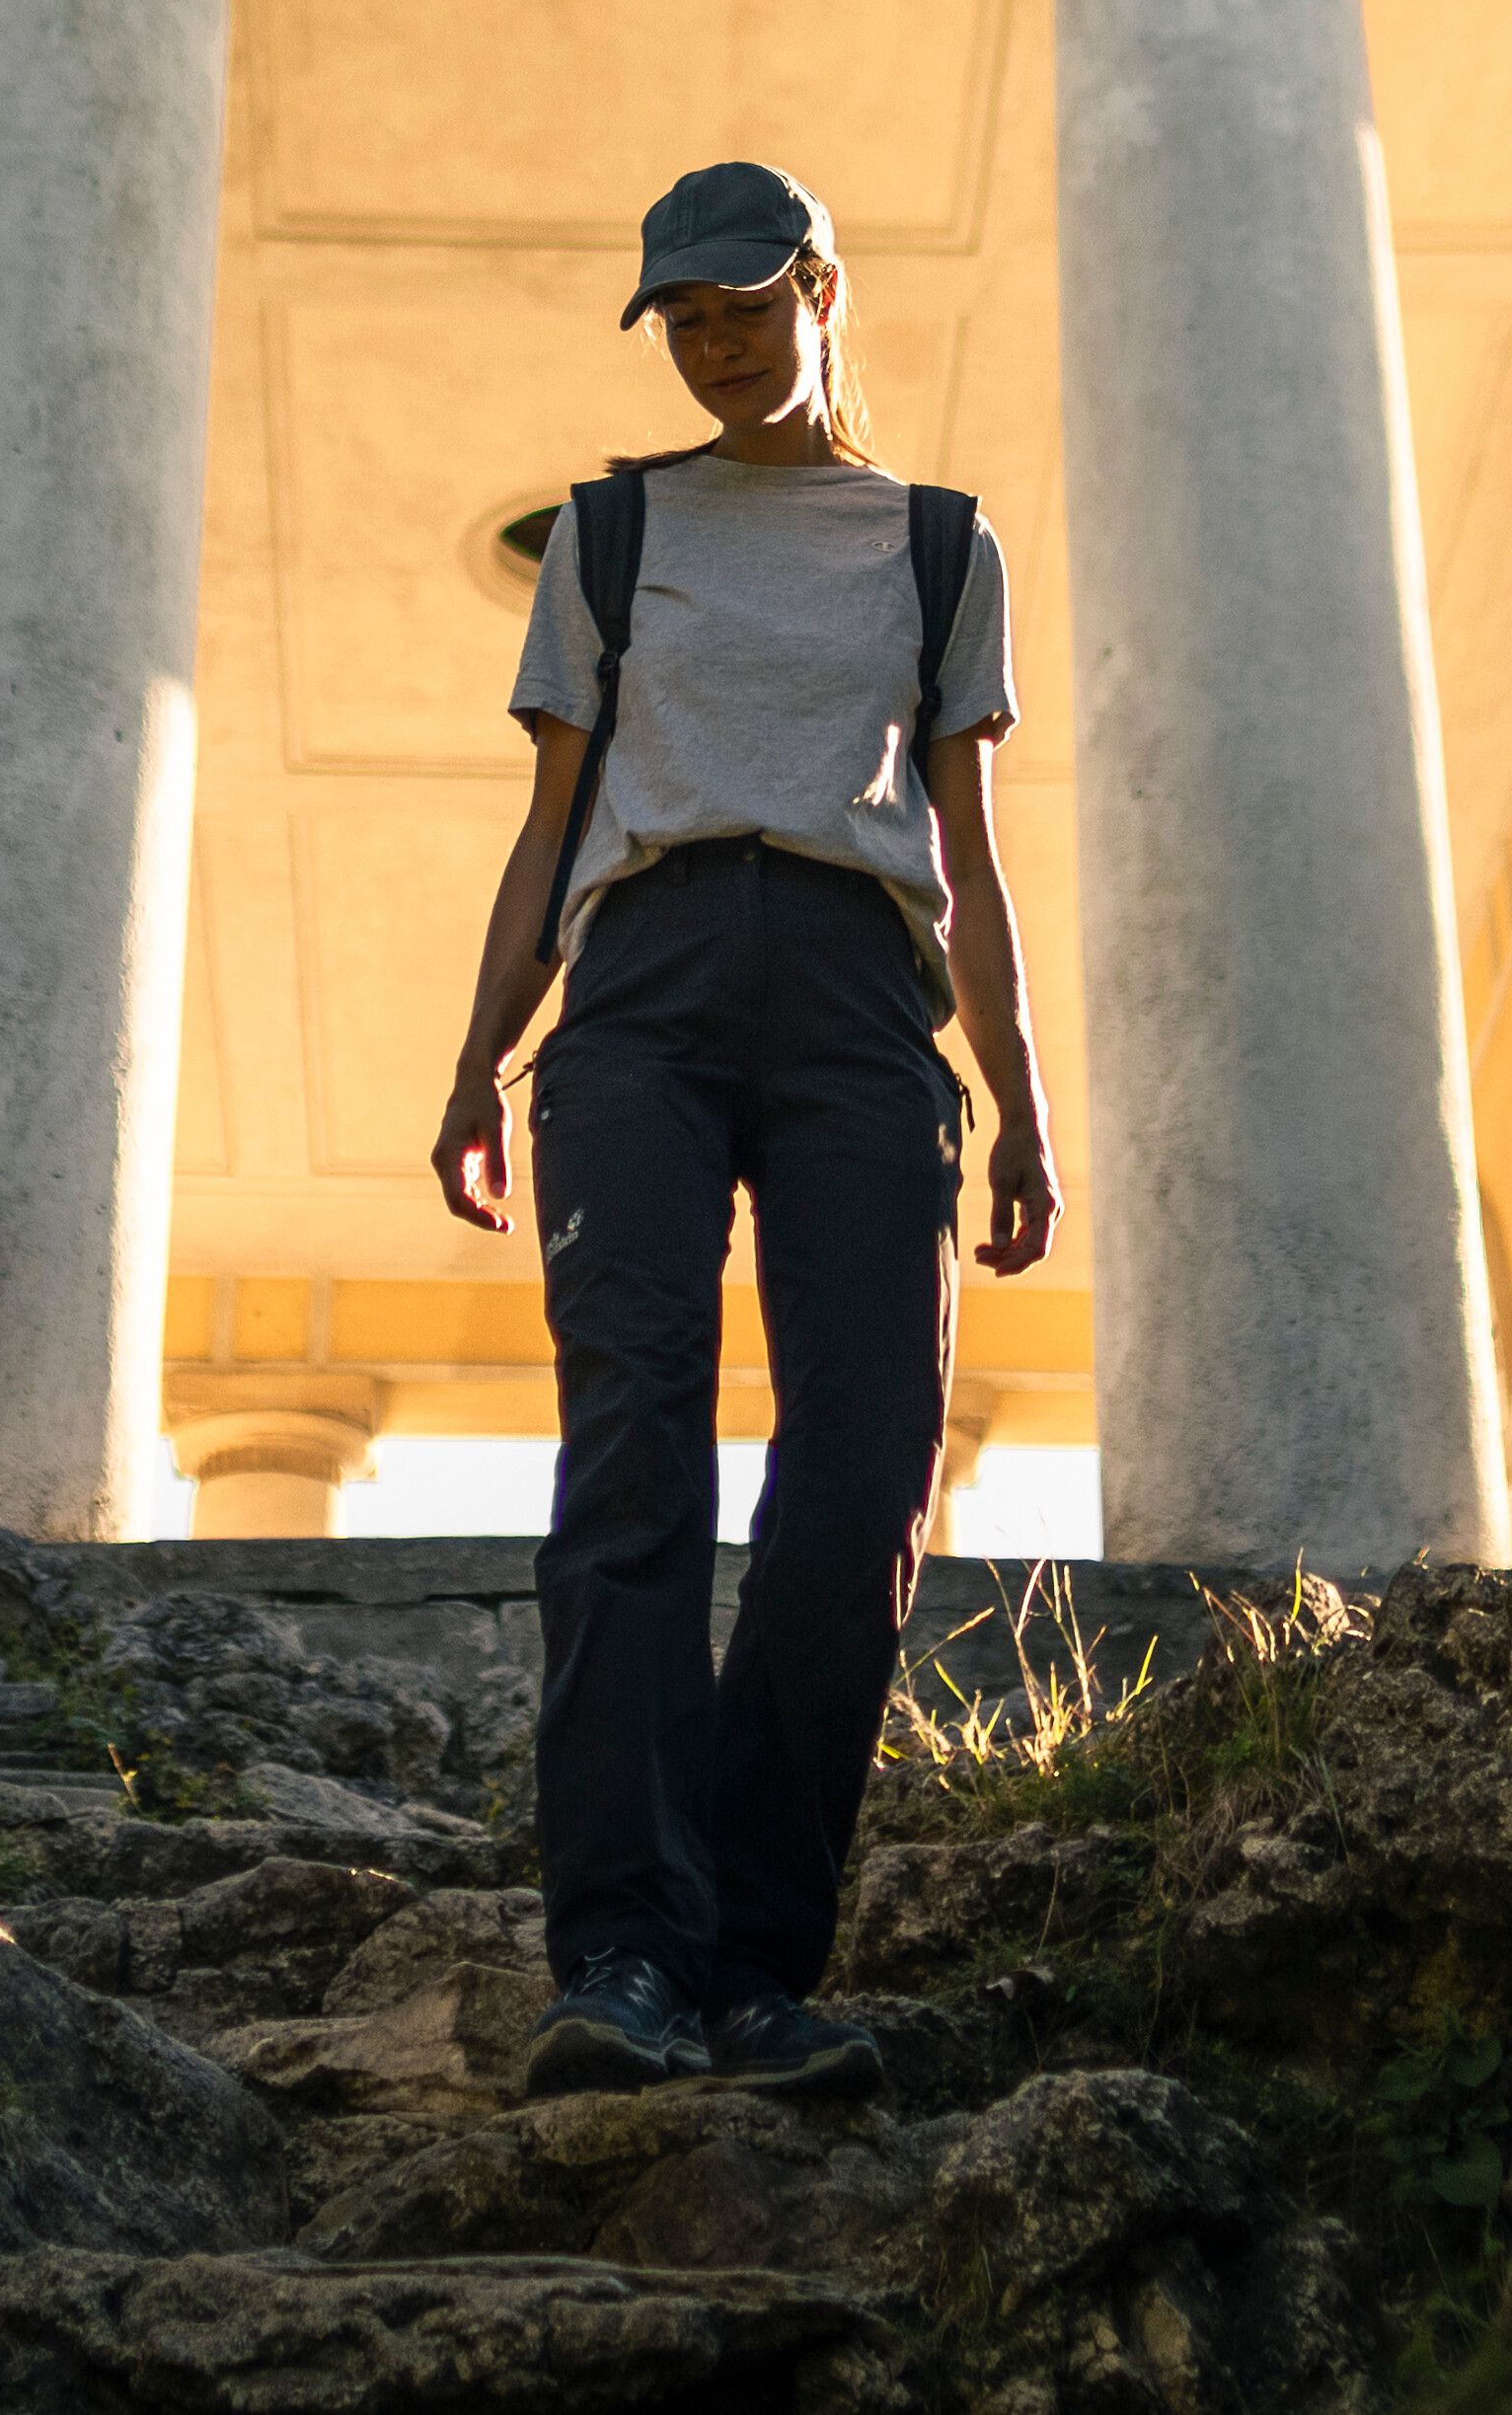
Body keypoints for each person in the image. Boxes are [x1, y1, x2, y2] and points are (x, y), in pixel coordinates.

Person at [429, 156, 1063, 2101]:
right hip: (641, 989)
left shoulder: (938, 543)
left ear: (818, 287)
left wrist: (1022, 1104)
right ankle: (619, 1949)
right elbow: (552, 824)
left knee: (868, 1462)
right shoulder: (609, 537)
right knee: (631, 1456)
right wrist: (476, 1061)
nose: (707, 341)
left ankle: (758, 1959)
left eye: (734, 302)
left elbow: (965, 850)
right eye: (676, 317)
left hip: (868, 1000)